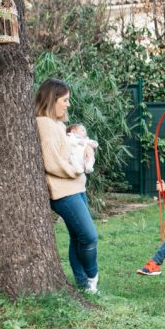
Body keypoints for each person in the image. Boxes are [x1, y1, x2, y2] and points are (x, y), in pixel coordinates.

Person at [35, 78, 99, 294]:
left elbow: (68, 154)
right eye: (65, 100)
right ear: (52, 100)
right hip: (63, 190)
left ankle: (83, 285)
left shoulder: (59, 125)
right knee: (89, 236)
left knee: (77, 237)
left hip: (77, 187)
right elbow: (51, 161)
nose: (68, 104)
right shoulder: (44, 123)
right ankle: (93, 276)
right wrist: (76, 170)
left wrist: (85, 154)